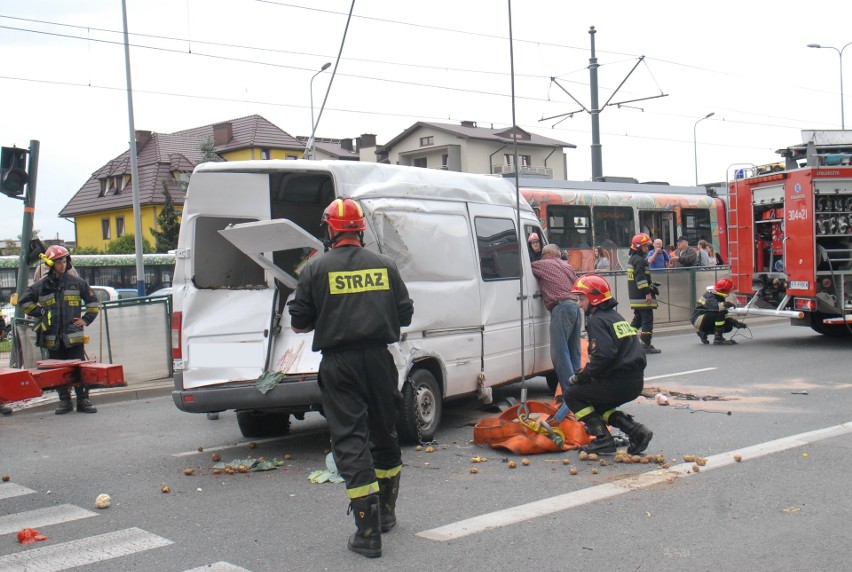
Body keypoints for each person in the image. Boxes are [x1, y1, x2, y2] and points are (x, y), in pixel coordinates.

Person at [288, 198, 414, 559]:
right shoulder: (386, 266)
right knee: (384, 434)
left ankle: (368, 531)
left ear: (330, 229)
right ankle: (387, 514)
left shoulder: (314, 269)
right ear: (360, 228)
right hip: (379, 360)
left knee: (350, 440)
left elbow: (299, 322)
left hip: (340, 363)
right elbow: (404, 315)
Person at [556, 274, 653, 456]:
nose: (579, 304)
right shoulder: (616, 317)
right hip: (633, 381)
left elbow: (604, 355)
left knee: (572, 395)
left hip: (618, 381)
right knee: (599, 405)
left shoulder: (597, 321)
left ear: (594, 298)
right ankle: (637, 432)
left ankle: (603, 440)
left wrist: (582, 376)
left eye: (581, 298)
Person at [18, 245, 100, 414]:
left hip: (73, 337)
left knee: (79, 370)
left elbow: (93, 303)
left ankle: (83, 401)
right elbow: (24, 301)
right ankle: (65, 402)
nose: (62, 264)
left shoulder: (77, 283)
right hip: (52, 338)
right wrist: (39, 312)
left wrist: (85, 320)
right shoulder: (41, 285)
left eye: (64, 260)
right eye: (58, 261)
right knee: (59, 373)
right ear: (50, 264)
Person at [531, 243, 582, 394]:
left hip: (561, 309)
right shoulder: (568, 267)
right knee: (574, 350)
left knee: (560, 352)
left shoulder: (543, 265)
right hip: (575, 307)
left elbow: (525, 267)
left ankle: (569, 390)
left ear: (547, 255)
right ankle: (579, 386)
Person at [627, 233, 660, 354]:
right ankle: (646, 344)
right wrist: (647, 292)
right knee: (647, 320)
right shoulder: (640, 260)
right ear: (638, 247)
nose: (647, 248)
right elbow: (640, 278)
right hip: (642, 297)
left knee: (638, 319)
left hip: (635, 297)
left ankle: (628, 340)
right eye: (645, 246)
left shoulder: (633, 259)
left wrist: (650, 285)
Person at [691, 278, 746, 345]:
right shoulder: (710, 296)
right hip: (698, 319)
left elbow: (720, 318)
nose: (729, 292)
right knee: (720, 312)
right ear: (723, 290)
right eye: (729, 290)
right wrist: (726, 304)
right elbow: (716, 308)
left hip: (704, 318)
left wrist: (734, 323)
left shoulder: (718, 295)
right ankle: (718, 339)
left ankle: (704, 332)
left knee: (728, 327)